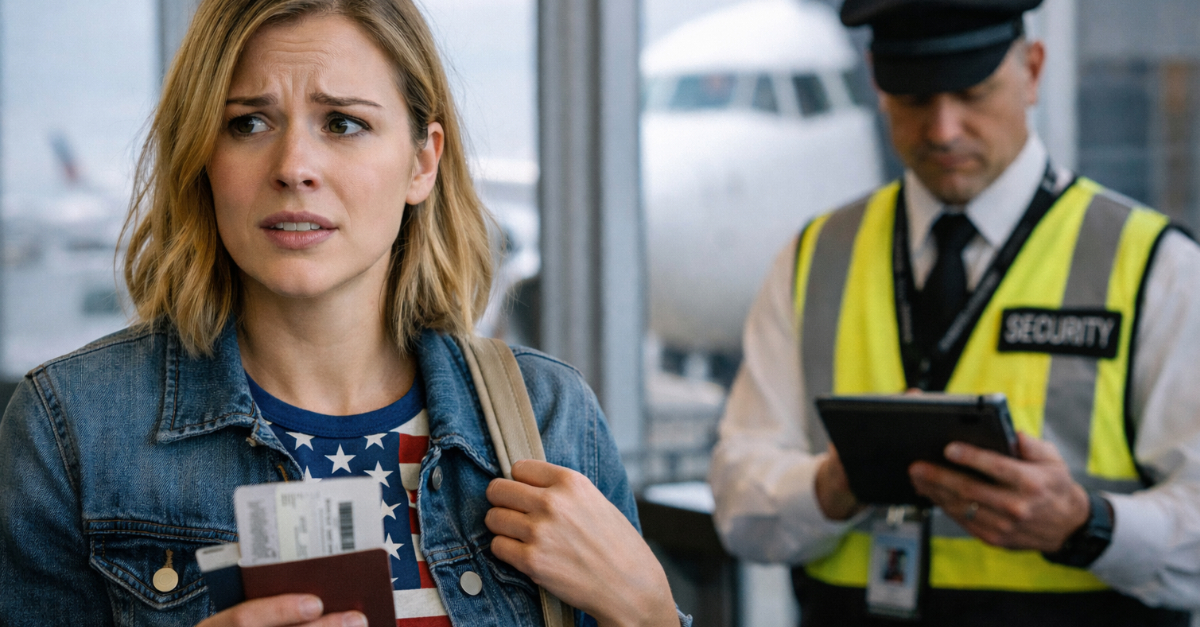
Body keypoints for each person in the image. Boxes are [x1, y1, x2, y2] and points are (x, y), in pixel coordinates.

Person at [0, 1, 686, 626]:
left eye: (345, 123)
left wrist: (651, 612)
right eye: (248, 122)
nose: (294, 165)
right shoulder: (72, 435)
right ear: (204, 157)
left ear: (423, 161)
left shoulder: (552, 420)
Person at [709, 0, 1200, 625]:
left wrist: (1085, 523)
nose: (943, 130)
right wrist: (829, 488)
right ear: (878, 84)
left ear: (1034, 70)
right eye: (914, 99)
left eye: (973, 93)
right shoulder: (815, 258)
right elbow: (736, 505)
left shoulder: (1156, 267)